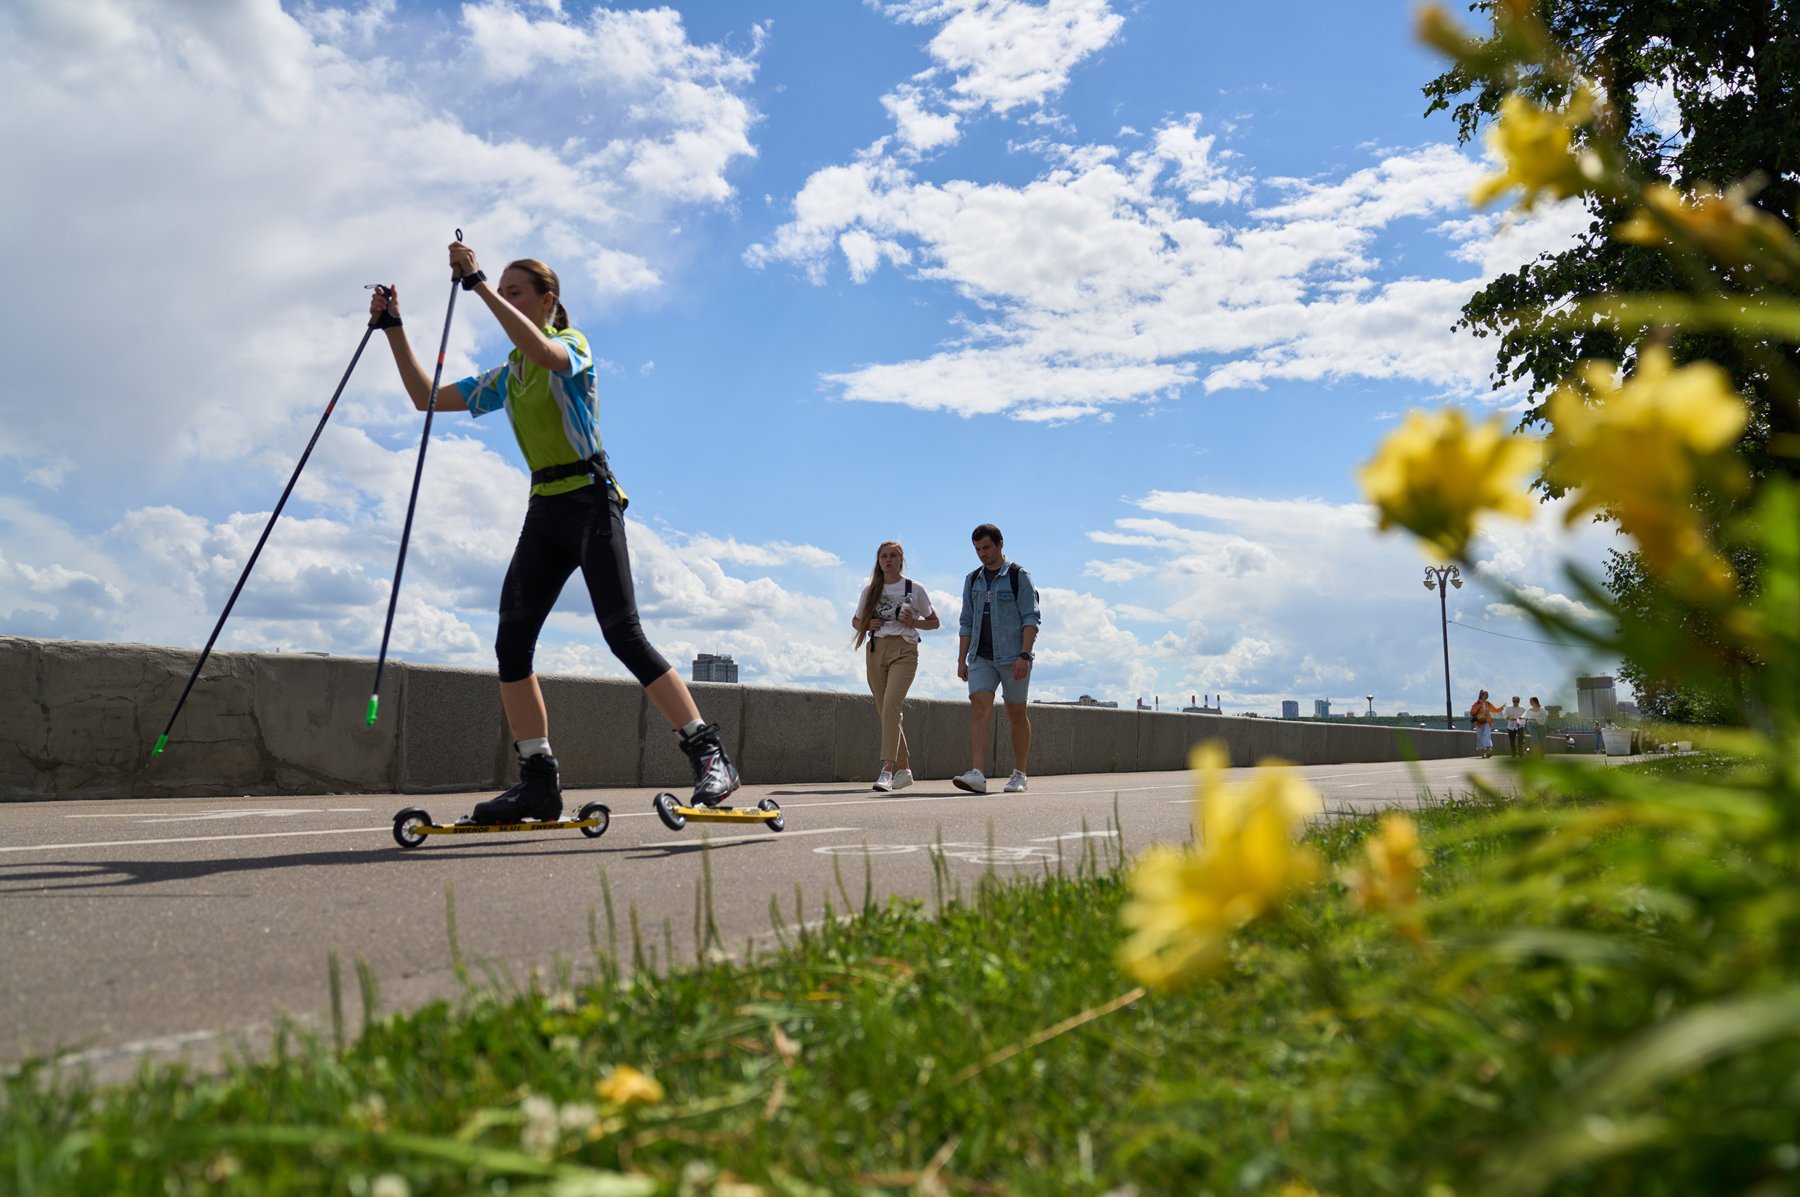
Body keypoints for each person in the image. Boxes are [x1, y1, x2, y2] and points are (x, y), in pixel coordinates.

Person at [368, 241, 739, 823]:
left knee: (624, 634)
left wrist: (481, 285)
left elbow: (542, 351)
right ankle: (538, 780)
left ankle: (709, 754)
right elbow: (424, 398)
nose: (505, 299)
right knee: (511, 646)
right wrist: (394, 328)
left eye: (518, 293)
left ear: (548, 302)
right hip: (543, 509)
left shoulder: (571, 346)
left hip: (591, 501)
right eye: (504, 292)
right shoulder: (507, 374)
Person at [953, 524, 1040, 794]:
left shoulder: (1018, 576)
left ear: (1000, 544)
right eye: (978, 550)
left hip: (1013, 656)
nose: (982, 554)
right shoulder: (973, 579)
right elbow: (966, 620)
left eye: (987, 548)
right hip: (980, 655)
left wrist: (1024, 654)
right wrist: (961, 659)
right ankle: (977, 773)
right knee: (979, 706)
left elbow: (1031, 618)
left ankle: (1020, 773)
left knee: (1016, 713)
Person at [851, 540, 940, 792]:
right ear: (878, 561)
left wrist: (915, 622)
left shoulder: (915, 588)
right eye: (883, 557)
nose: (887, 560)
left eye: (892, 556)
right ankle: (905, 770)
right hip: (876, 650)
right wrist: (867, 625)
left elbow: (935, 622)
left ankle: (887, 770)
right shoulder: (870, 591)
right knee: (886, 711)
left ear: (901, 560)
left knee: (891, 705)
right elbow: (856, 621)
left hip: (904, 650)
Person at [1469, 689, 1500, 759]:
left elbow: (1495, 709)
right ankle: (1483, 752)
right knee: (1479, 737)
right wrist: (1477, 708)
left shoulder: (1488, 703)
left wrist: (1502, 708)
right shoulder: (1476, 703)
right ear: (1481, 695)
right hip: (1479, 722)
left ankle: (1489, 748)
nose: (1486, 695)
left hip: (1487, 721)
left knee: (1487, 734)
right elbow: (1472, 713)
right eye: (1485, 694)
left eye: (1487, 694)